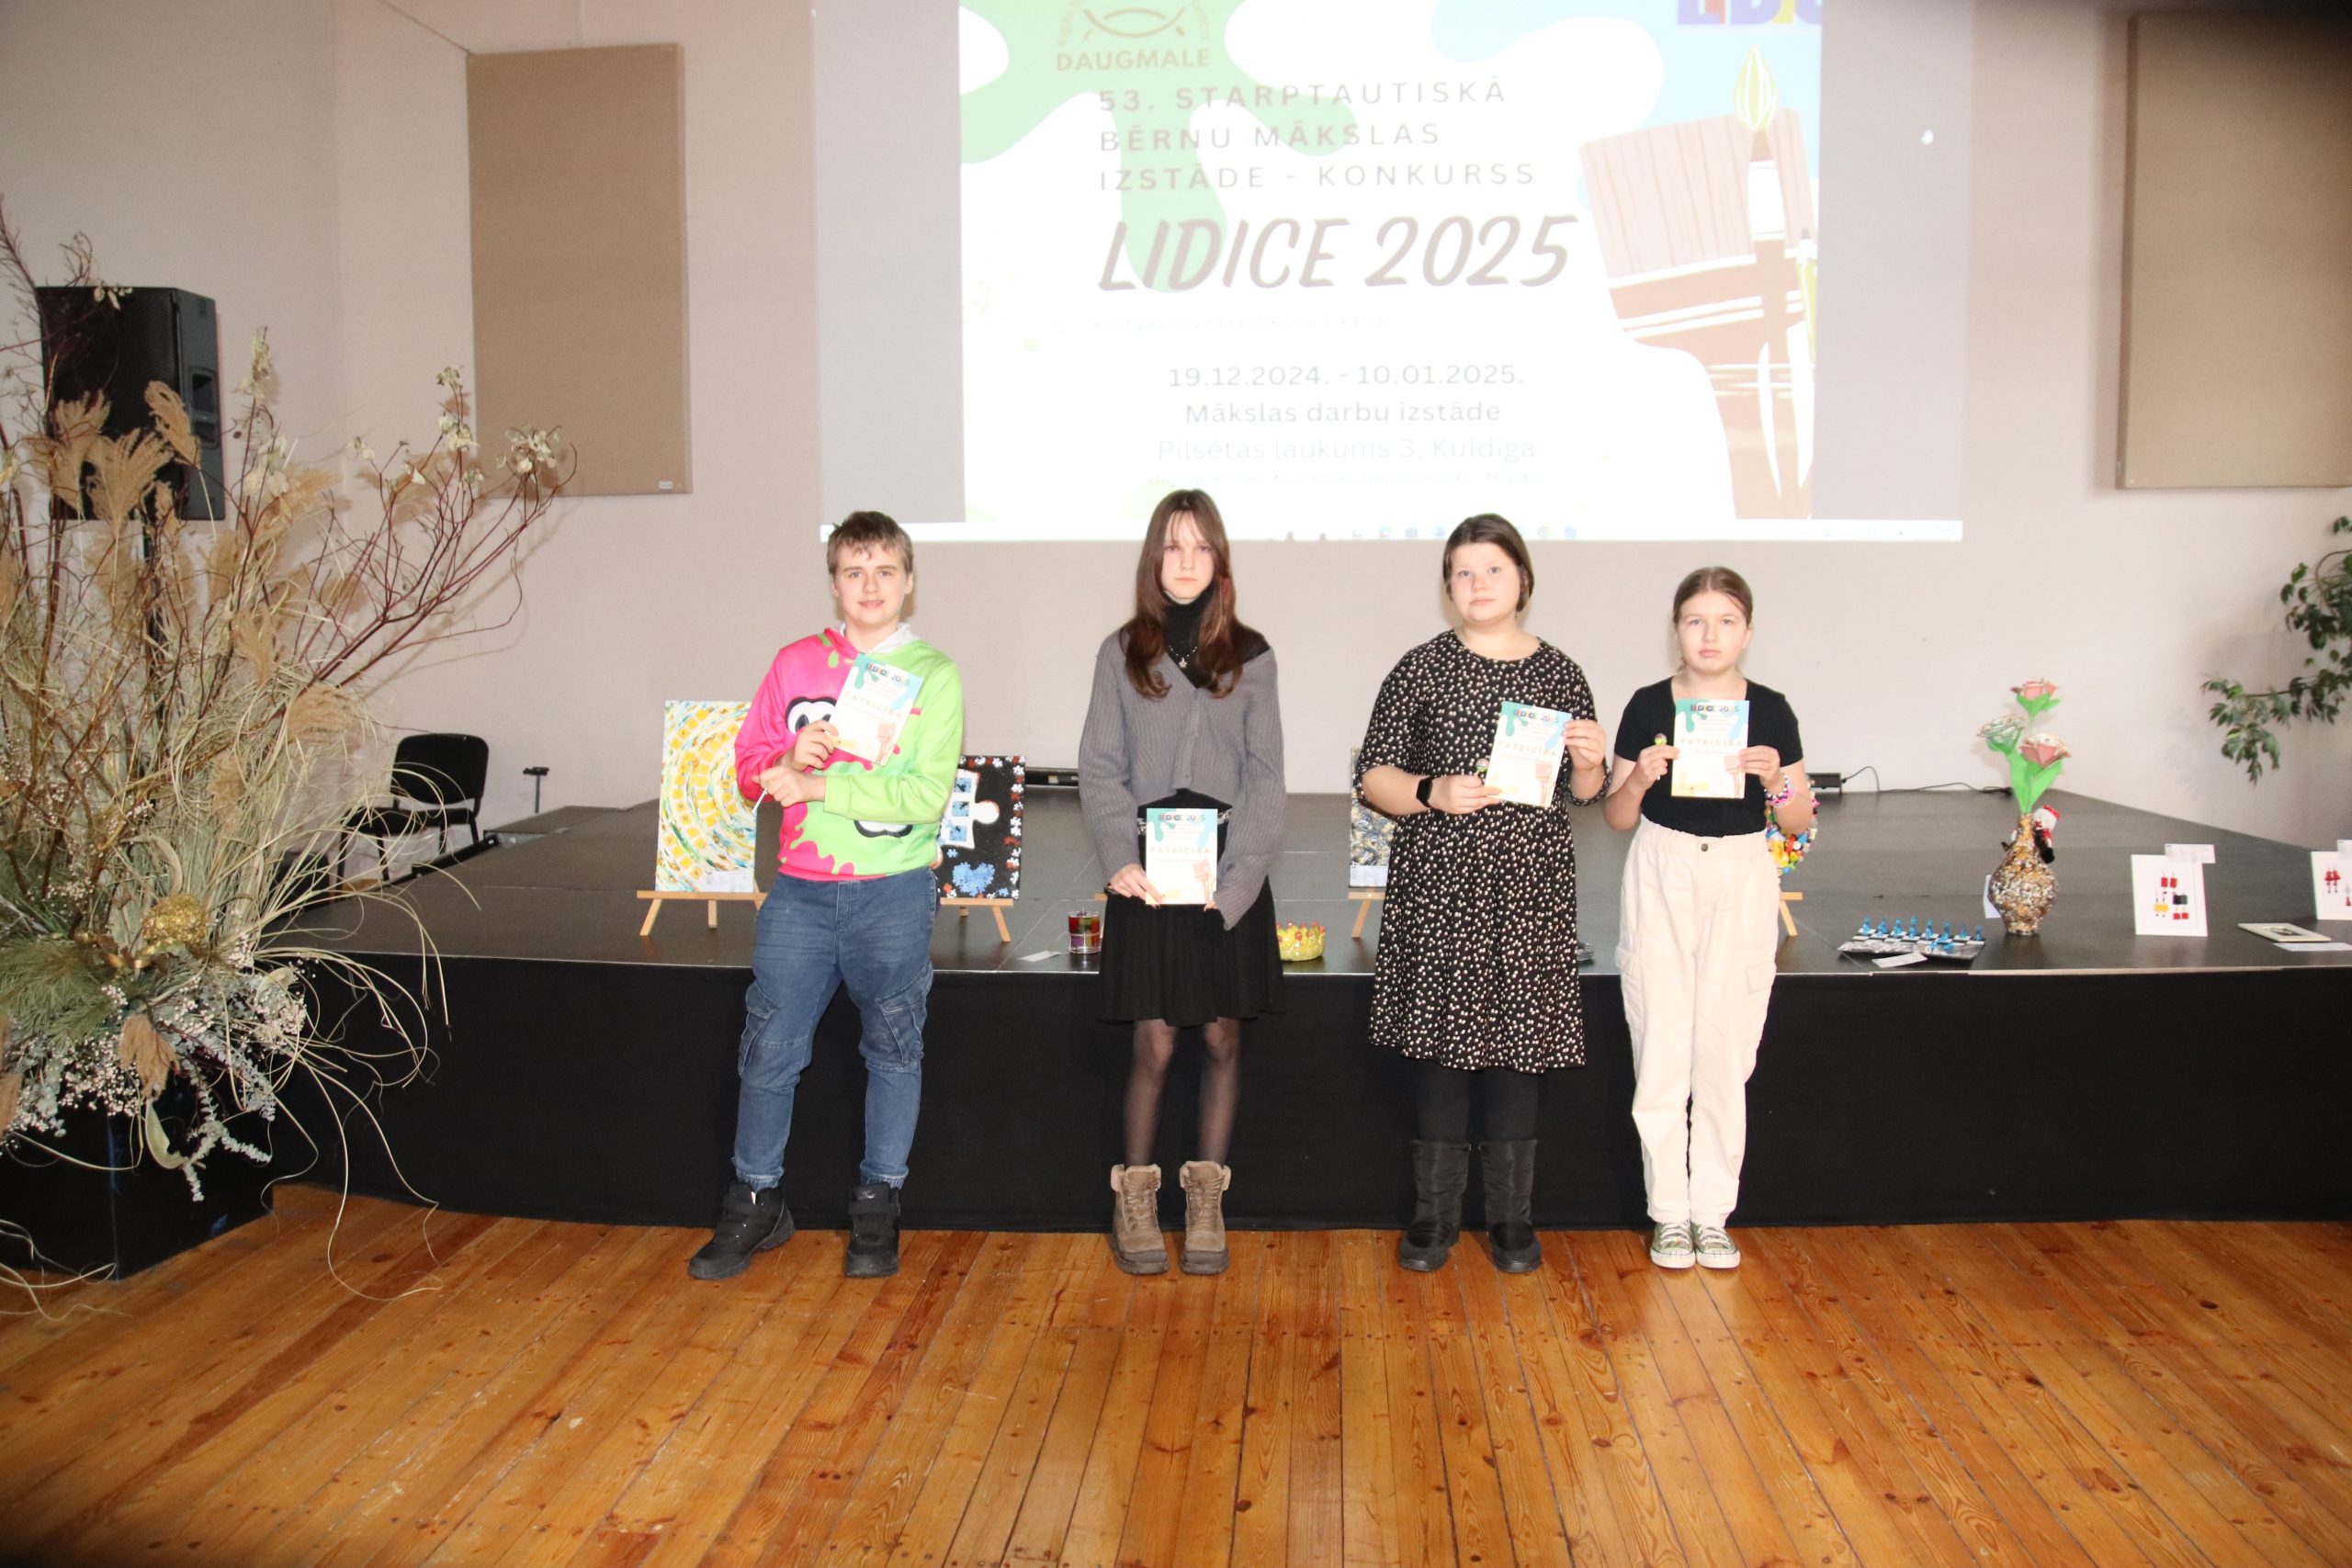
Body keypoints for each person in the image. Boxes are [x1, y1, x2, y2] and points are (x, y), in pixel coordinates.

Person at [688, 511, 964, 1282]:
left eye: (884, 571)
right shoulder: (794, 663)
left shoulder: (935, 674)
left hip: (894, 890)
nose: (869, 586)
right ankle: (755, 1198)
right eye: (853, 572)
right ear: (835, 583)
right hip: (801, 894)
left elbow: (926, 795)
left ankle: (877, 1203)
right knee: (769, 1050)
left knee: (894, 1049)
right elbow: (747, 769)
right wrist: (787, 753)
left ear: (909, 582)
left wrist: (819, 784)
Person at [1355, 514, 1607, 1273]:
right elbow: (1373, 776)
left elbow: (1585, 792)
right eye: (1463, 572)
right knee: (1441, 1050)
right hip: (1441, 887)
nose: (1478, 583)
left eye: (1493, 568)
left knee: (1518, 1052)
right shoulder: (1421, 667)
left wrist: (1592, 760)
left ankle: (1511, 1221)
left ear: (1523, 579)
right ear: (1448, 588)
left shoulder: (1561, 673)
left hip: (1530, 888)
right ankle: (1433, 1219)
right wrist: (1430, 790)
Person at [1079, 489, 1284, 1276]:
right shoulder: (1121, 651)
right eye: (1173, 545)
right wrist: (1118, 857)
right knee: (1156, 1040)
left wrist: (1235, 889)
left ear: (1220, 560)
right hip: (1149, 874)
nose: (1187, 560)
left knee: (1225, 1036)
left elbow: (1267, 781)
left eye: (1202, 546)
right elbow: (1099, 767)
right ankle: (1134, 1200)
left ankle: (1205, 1202)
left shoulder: (1254, 655)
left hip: (1228, 874)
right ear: (1153, 558)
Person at [1601, 566, 1813, 1270]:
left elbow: (1798, 820)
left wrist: (1775, 780)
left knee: (1726, 1046)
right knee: (1660, 1040)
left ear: (1748, 631)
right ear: (1677, 630)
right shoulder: (1647, 704)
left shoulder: (1772, 710)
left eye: (1726, 621)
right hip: (1662, 864)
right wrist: (1639, 777)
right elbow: (1616, 815)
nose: (1710, 635)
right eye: (1696, 620)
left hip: (1741, 867)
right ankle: (1668, 1212)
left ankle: (1712, 1213)